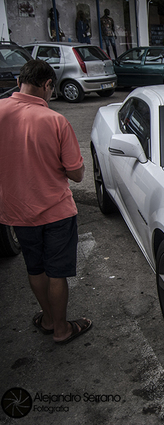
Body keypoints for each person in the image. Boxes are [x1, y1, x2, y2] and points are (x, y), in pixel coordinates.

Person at [0, 60, 92, 345]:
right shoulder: (55, 121)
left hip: (16, 211)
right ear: (48, 85)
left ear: (19, 81)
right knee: (57, 272)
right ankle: (62, 328)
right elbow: (76, 174)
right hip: (56, 211)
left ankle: (48, 318)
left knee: (35, 267)